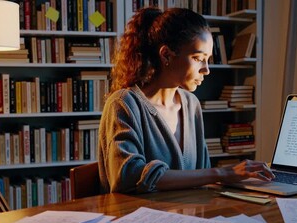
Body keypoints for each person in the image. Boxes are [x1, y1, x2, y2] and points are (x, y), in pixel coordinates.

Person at [98, 7, 274, 194]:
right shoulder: (124, 104)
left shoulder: (191, 104)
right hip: (137, 218)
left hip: (188, 215)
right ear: (166, 55)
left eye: (208, 59)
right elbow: (127, 176)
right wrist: (221, 173)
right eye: (198, 58)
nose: (206, 70)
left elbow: (202, 173)